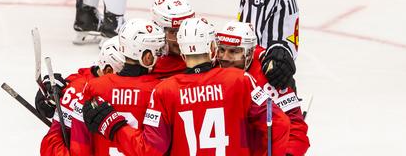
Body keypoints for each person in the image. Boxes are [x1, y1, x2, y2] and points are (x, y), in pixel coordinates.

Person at [84, 17, 290, 156]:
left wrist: (112, 125)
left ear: (182, 54)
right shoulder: (240, 81)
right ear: (212, 48)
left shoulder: (165, 90)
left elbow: (150, 150)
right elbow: (279, 124)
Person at [70, 19, 164, 155]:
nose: (161, 56)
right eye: (158, 52)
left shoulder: (95, 87)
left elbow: (80, 145)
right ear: (147, 57)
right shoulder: (157, 90)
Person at [217, 21, 310, 156]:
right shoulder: (212, 67)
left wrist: (289, 154)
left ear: (249, 53)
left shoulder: (269, 75)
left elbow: (296, 128)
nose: (225, 58)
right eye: (222, 50)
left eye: (233, 51)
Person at [39, 36, 125, 156]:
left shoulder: (80, 85)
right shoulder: (77, 88)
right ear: (108, 70)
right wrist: (50, 99)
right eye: (125, 72)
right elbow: (53, 141)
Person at [149, 0, 195, 79]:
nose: (182, 38)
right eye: (174, 32)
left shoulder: (207, 56)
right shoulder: (147, 62)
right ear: (159, 30)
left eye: (186, 29)